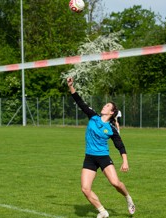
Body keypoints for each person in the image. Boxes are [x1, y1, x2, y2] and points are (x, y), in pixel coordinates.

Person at [66, 77, 135, 218]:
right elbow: (80, 102)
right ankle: (103, 212)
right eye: (105, 105)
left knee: (115, 183)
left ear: (111, 113)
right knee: (85, 189)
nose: (104, 106)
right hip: (90, 157)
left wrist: (125, 161)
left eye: (107, 106)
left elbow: (120, 146)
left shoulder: (111, 129)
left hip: (103, 157)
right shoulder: (93, 117)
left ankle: (128, 198)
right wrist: (71, 86)